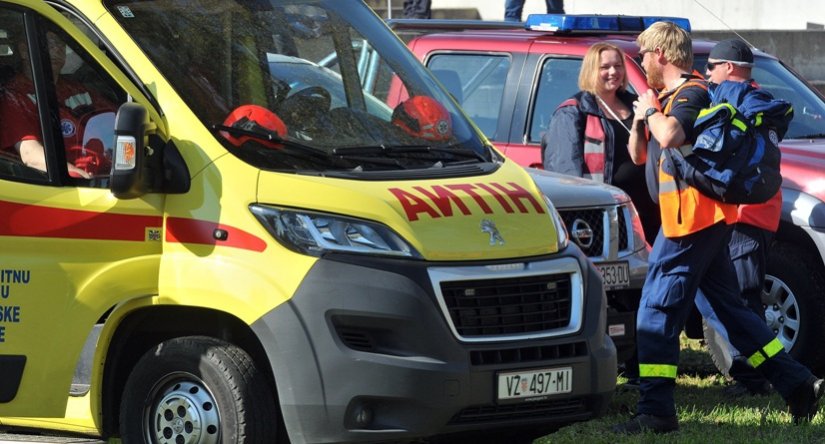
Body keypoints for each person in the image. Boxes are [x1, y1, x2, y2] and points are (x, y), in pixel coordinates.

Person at [612, 21, 824, 434]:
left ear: (661, 56)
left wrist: (653, 111)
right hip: (698, 224)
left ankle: (655, 411)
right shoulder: (668, 97)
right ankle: (797, 384)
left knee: (656, 312)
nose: (640, 64)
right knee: (734, 315)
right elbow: (640, 156)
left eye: (643, 57)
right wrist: (641, 117)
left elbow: (671, 134)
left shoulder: (691, 93)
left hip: (689, 226)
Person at [696, 38, 780, 397]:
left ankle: (758, 377)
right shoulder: (759, 100)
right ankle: (757, 373)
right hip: (756, 214)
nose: (707, 75)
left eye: (711, 68)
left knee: (743, 301)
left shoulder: (736, 100)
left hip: (745, 217)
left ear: (728, 68)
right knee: (729, 298)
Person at [542, 42, 660, 242]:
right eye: (605, 67)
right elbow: (566, 174)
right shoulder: (573, 112)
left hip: (645, 212)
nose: (613, 72)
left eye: (618, 66)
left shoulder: (639, 105)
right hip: (602, 214)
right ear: (591, 70)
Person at [0, 31, 114, 178]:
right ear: (24, 50)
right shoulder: (14, 96)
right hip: (75, 185)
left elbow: (122, 120)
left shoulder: (77, 88)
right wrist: (79, 176)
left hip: (112, 174)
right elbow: (31, 155)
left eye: (60, 44)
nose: (57, 50)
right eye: (48, 43)